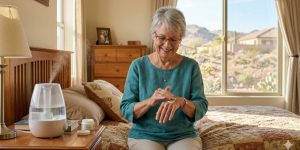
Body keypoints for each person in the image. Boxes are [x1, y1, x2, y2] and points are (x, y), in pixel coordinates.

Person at [120, 7, 208, 150]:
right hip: (144, 135)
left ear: (180, 39)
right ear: (153, 35)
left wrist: (181, 102)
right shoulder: (138, 66)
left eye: (173, 39)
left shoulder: (191, 67)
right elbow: (125, 109)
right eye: (162, 38)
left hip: (183, 135)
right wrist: (150, 101)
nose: (167, 45)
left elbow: (201, 106)